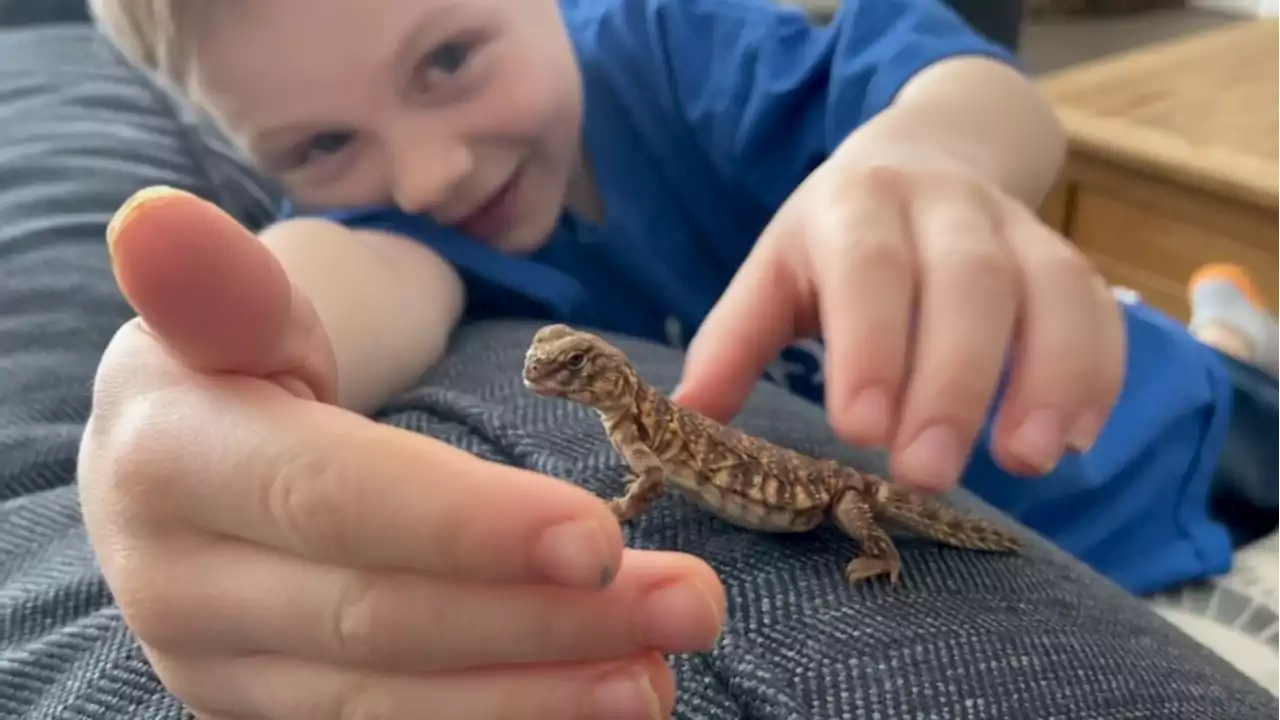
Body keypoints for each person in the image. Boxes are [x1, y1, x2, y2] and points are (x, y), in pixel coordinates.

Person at [76, 0, 1274, 717]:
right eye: (321, 144)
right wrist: (217, 370)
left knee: (1232, 384)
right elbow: (332, 283)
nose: (429, 173)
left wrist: (927, 155)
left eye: (446, 57)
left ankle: (1226, 326)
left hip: (1157, 417)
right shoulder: (399, 237)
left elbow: (980, 92)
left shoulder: (674, 49)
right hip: (1055, 551)